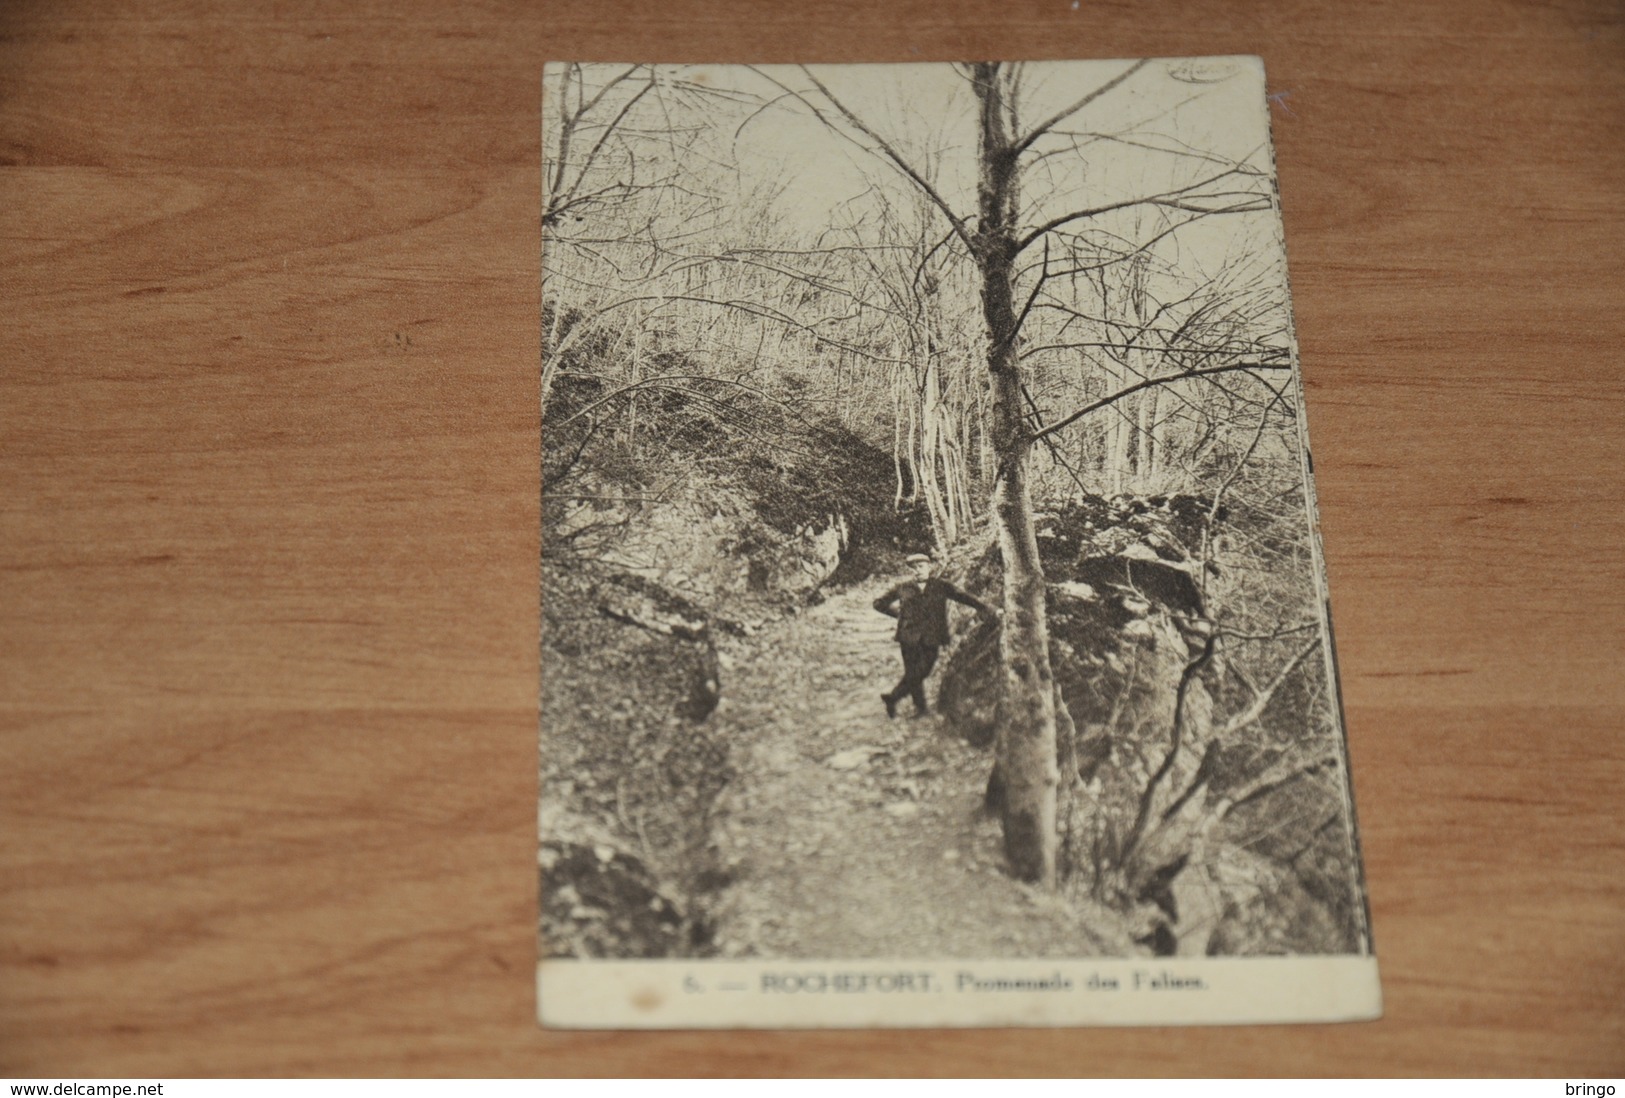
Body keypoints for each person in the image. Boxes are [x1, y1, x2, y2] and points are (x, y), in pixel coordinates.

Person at [873, 553, 997, 718]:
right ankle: (920, 708)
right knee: (912, 671)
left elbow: (962, 596)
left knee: (923, 670)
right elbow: (879, 603)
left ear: (929, 567)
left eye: (921, 567)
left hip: (932, 636)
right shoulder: (903, 587)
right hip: (908, 636)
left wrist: (983, 607)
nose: (918, 571)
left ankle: (893, 697)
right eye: (914, 568)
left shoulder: (941, 586)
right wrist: (899, 615)